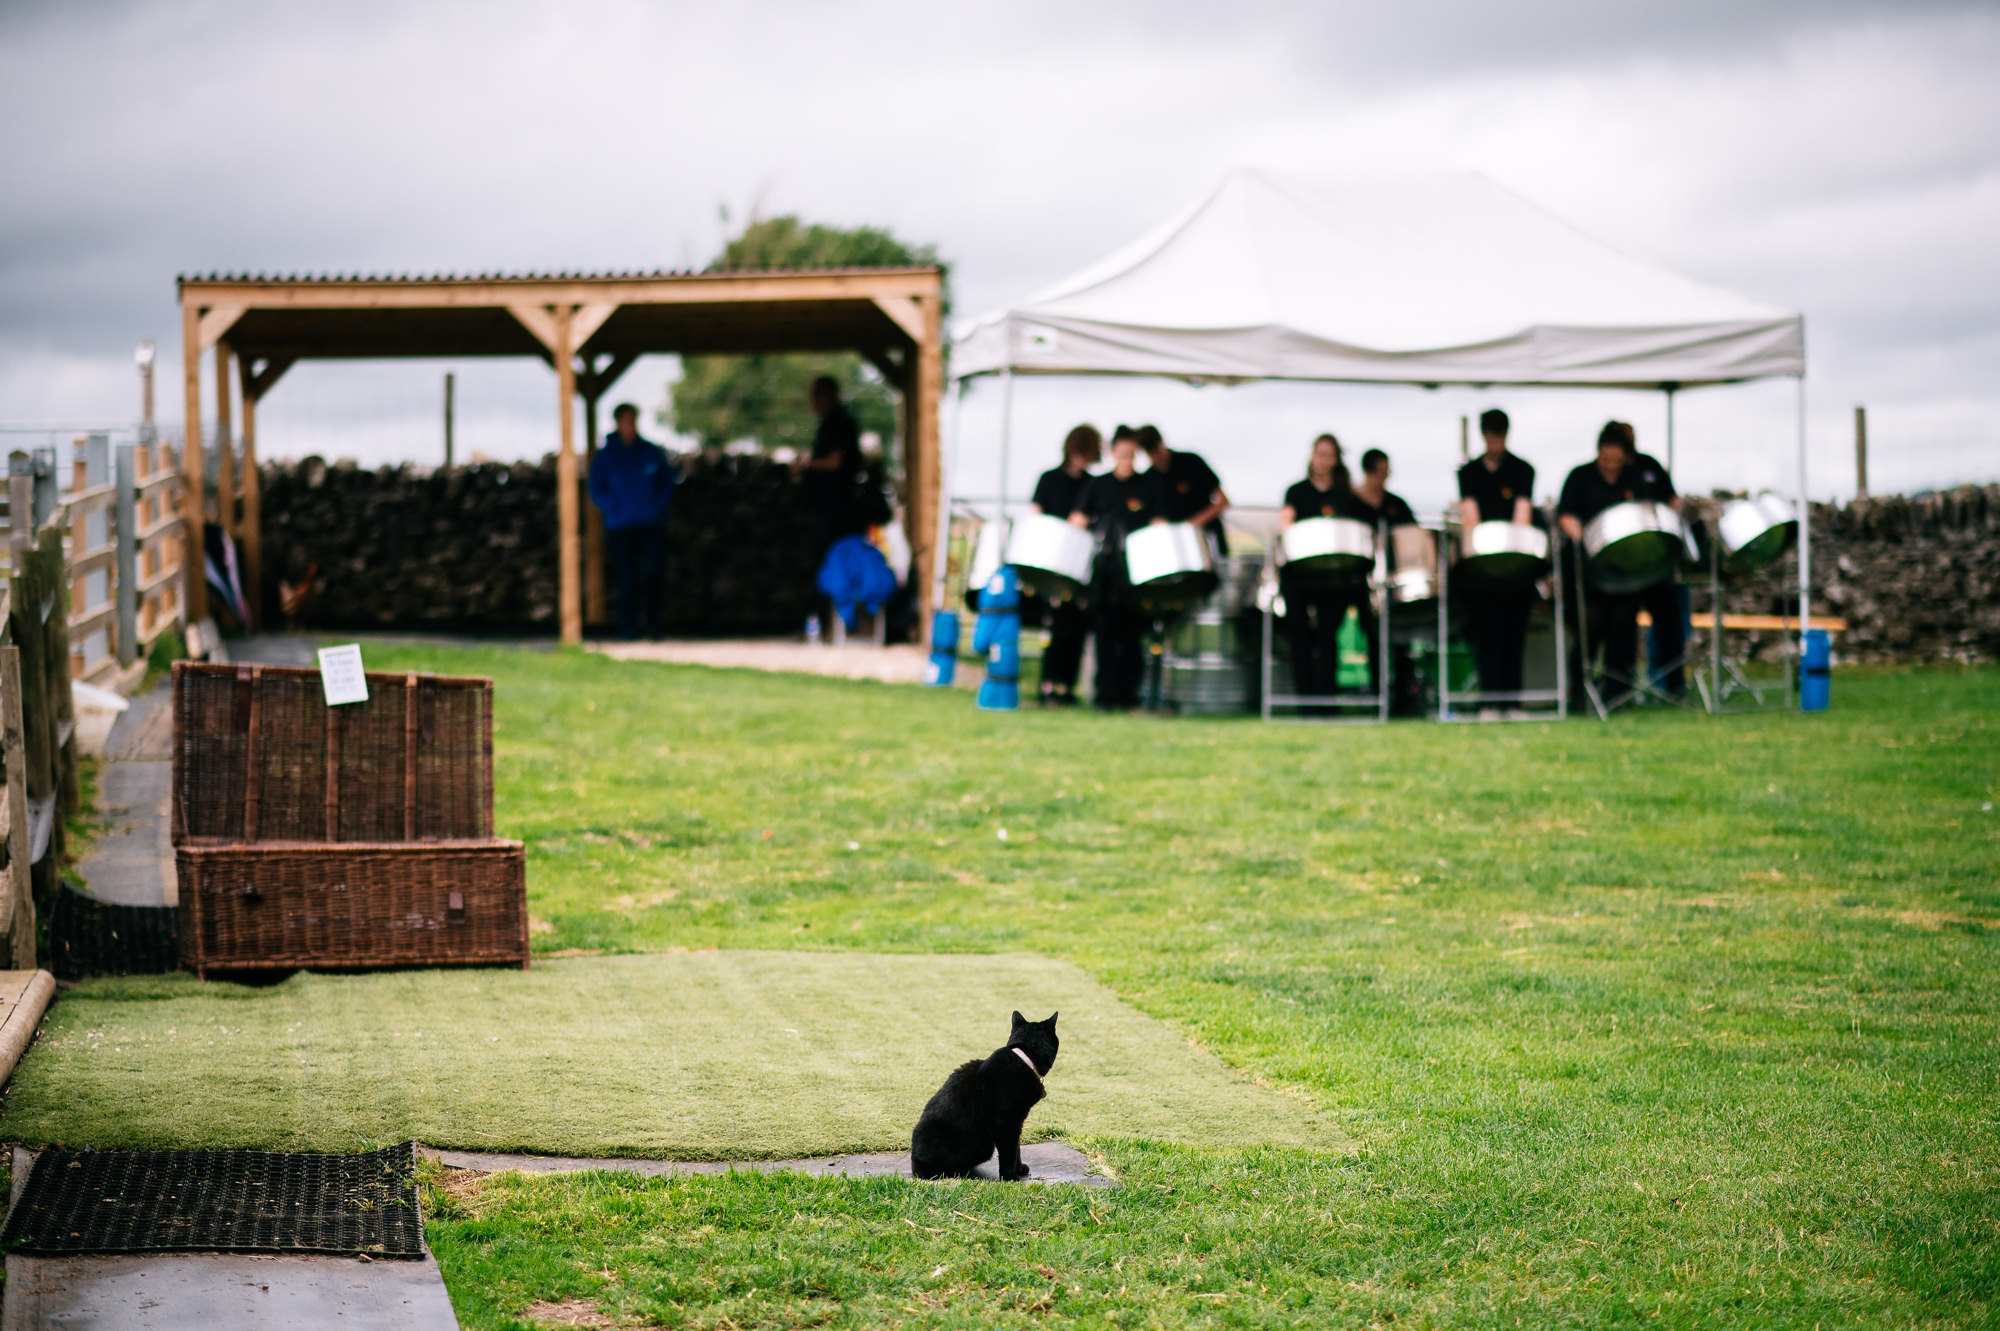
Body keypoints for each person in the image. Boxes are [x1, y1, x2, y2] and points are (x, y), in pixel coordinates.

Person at [1556, 420, 1686, 705]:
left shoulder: (1636, 477)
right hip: (1591, 571)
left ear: (1625, 456)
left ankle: (1618, 694)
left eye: (1616, 461)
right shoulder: (1580, 476)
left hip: (1626, 571)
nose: (1610, 466)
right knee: (1590, 628)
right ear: (1598, 452)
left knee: (1623, 628)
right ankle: (1578, 693)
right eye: (1605, 460)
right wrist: (1583, 537)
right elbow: (1566, 515)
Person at [1069, 426, 1168, 710]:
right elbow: (1077, 519)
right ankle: (1104, 695)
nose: (1127, 460)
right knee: (1105, 634)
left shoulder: (1147, 486)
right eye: (1122, 454)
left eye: (1132, 455)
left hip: (1136, 574)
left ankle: (1129, 695)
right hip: (1104, 571)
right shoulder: (1097, 485)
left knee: (1132, 635)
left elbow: (1159, 524)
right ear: (1113, 453)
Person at [1456, 408, 1537, 701]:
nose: (1495, 442)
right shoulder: (1469, 473)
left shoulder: (1522, 470)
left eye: (1499, 436)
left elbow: (1522, 517)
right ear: (1483, 435)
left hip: (1515, 565)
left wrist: (1512, 556)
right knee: (1485, 633)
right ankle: (1489, 700)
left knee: (1514, 633)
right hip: (1481, 568)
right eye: (1491, 436)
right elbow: (1470, 519)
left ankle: (1513, 700)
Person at [587, 403, 677, 640]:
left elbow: (667, 483)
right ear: (617, 423)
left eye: (632, 420)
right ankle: (628, 629)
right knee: (627, 577)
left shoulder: (650, 451)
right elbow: (596, 488)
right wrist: (614, 508)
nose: (629, 425)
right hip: (621, 525)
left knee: (653, 573)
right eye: (625, 420)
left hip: (651, 524)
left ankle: (654, 627)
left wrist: (657, 507)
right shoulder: (607, 456)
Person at [1276, 434, 1355, 698]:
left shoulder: (1344, 495)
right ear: (1311, 456)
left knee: (1327, 637)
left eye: (1328, 455)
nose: (1322, 460)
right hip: (1299, 574)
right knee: (1299, 638)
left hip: (1331, 577)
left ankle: (1327, 699)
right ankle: (1304, 699)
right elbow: (1285, 524)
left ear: (1336, 460)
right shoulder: (1296, 491)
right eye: (1319, 454)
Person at [1029, 424, 1102, 706]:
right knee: (1056, 625)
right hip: (1052, 559)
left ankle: (1067, 687)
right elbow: (1036, 516)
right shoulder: (1049, 479)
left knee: (1076, 625)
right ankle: (1049, 684)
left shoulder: (1092, 484)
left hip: (1079, 563)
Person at [791, 375, 862, 559]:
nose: (813, 401)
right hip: (827, 506)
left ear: (831, 396)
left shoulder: (838, 423)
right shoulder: (829, 424)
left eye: (817, 395)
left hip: (835, 507)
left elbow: (835, 462)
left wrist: (805, 465)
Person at [1135, 424, 1230, 556]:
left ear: (1161, 443)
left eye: (1155, 450)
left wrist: (1193, 524)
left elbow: (1223, 501)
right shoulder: (1148, 479)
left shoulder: (1191, 462)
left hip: (1208, 541)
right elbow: (1149, 517)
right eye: (1149, 453)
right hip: (1176, 549)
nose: (1155, 457)